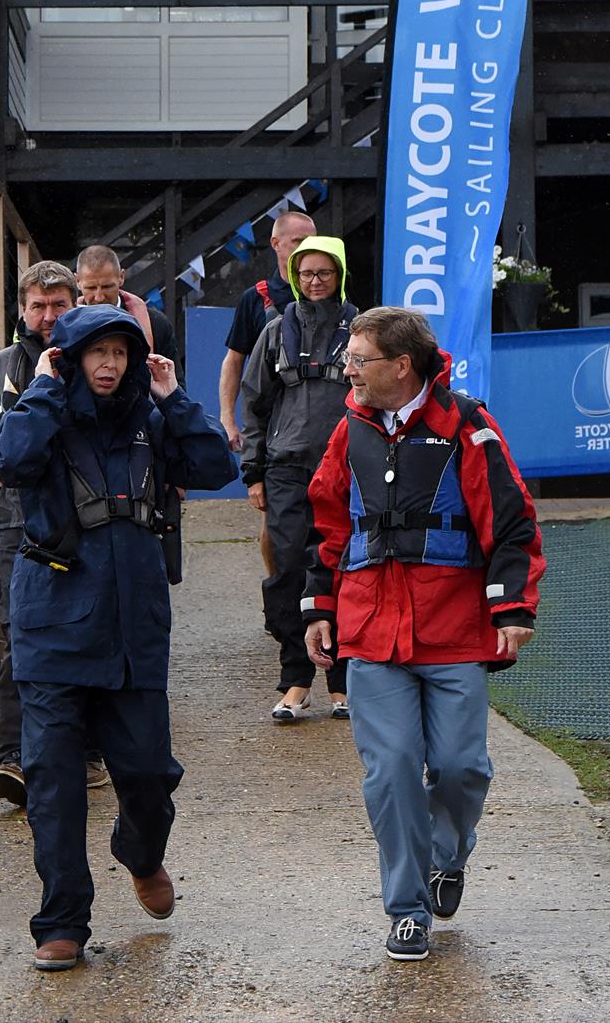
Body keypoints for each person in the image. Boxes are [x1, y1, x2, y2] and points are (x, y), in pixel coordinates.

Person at [0, 305, 237, 971]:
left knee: (150, 775)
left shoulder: (151, 420)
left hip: (133, 630)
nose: (109, 364)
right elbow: (6, 458)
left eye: (120, 353)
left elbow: (215, 465)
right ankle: (62, 920)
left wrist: (174, 395)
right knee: (55, 784)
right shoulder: (44, 414)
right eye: (94, 352)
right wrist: (43, 383)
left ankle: (142, 852)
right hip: (52, 628)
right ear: (69, 357)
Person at [302, 307, 545, 962]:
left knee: (462, 767)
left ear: (401, 366)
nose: (346, 369)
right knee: (392, 771)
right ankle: (406, 908)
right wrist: (317, 606)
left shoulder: (467, 426)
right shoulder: (346, 432)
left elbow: (512, 519)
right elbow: (327, 523)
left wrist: (512, 607)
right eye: (347, 358)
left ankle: (448, 854)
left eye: (358, 359)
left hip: (454, 630)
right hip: (370, 633)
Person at [0, 261, 109, 805]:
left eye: (57, 304)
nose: (46, 315)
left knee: (87, 630)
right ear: (21, 309)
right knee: (20, 636)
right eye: (37, 305)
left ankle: (87, 753)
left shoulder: (96, 360)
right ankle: (13, 759)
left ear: (75, 305)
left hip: (89, 521)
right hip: (19, 524)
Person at [240, 237, 356, 722]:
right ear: (293, 276)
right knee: (287, 567)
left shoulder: (362, 329)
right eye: (305, 273)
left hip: (347, 468)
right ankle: (295, 679)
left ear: (339, 276)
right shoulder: (274, 331)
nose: (314, 282)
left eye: (324, 273)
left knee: (341, 567)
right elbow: (253, 402)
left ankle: (342, 682)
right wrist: (254, 471)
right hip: (285, 468)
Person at [219, 210, 316, 574]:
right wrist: (228, 419)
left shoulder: (333, 291)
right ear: (276, 244)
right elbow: (234, 362)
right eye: (297, 243)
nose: (307, 251)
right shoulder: (256, 298)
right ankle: (279, 599)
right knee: (275, 524)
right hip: (276, 430)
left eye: (312, 242)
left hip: (321, 427)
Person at [75, 244, 185, 386]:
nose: (99, 297)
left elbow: (176, 388)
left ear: (121, 277)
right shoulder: (64, 324)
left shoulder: (155, 324)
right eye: (90, 288)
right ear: (77, 281)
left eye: (107, 286)